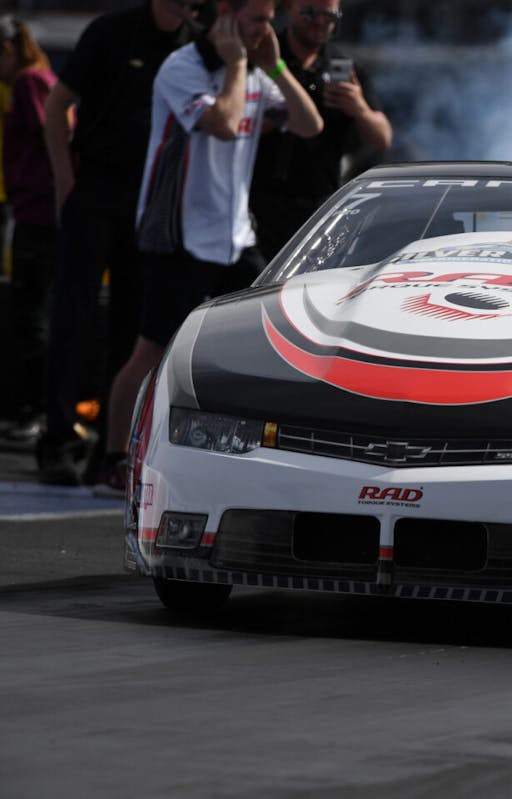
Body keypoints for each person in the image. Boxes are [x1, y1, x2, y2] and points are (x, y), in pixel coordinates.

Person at [93, 0, 323, 497]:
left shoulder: (258, 72)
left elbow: (310, 126)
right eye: (258, 19)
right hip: (179, 234)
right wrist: (238, 63)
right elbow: (221, 121)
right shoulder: (182, 68)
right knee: (152, 348)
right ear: (225, 15)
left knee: (271, 342)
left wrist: (277, 65)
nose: (268, 28)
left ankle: (258, 452)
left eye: (269, 19)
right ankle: (112, 458)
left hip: (233, 234)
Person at [38, 0, 203, 485]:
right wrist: (66, 187)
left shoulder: (196, 44)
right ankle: (59, 440)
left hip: (152, 202)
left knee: (134, 323)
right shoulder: (110, 32)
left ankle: (112, 449)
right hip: (95, 189)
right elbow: (55, 108)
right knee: (74, 312)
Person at [250, 0, 392, 261]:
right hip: (262, 202)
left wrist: (359, 107)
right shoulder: (266, 56)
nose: (319, 22)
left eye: (329, 16)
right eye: (310, 13)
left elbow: (382, 138)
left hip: (319, 205)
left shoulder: (344, 67)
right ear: (290, 8)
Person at [0, 16, 56, 444]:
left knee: (30, 313)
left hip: (39, 213)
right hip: (41, 210)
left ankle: (33, 412)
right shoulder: (42, 77)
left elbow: (52, 133)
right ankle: (35, 409)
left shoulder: (28, 82)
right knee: (33, 311)